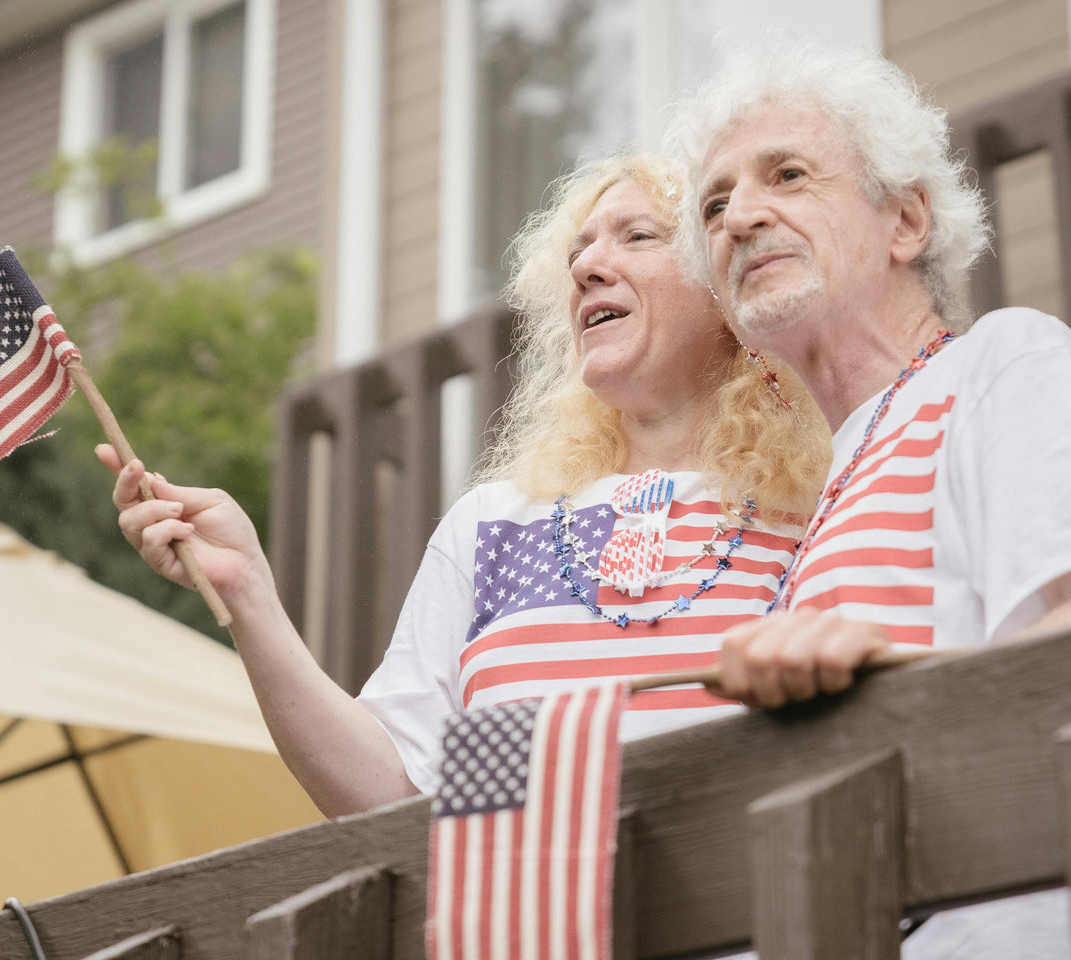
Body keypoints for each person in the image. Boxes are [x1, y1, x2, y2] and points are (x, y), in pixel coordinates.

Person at [97, 151, 829, 816]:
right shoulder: (491, 526)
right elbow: (387, 792)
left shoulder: (824, 503)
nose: (588, 268)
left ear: (727, 286)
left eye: (638, 237)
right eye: (579, 251)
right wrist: (249, 595)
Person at [670, 35, 1071, 957]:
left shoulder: (1001, 364)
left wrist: (877, 682)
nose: (738, 218)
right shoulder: (823, 500)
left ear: (907, 222)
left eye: (788, 174)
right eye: (716, 204)